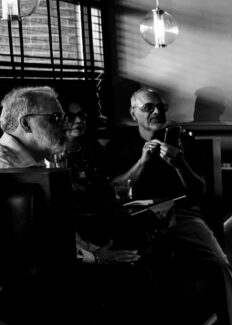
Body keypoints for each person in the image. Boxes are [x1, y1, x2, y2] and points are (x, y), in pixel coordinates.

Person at [103, 87, 232, 325]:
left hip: (183, 213)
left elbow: (200, 188)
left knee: (221, 264)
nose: (157, 112)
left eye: (161, 107)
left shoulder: (184, 140)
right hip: (140, 218)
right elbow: (116, 188)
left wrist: (179, 163)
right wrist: (142, 163)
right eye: (148, 108)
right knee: (137, 271)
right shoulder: (120, 145)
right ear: (133, 114)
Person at [0, 87, 138, 265]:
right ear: (26, 124)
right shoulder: (5, 167)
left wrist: (94, 252)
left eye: (63, 118)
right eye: (56, 118)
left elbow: (58, 229)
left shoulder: (34, 162)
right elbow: (24, 246)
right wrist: (94, 258)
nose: (66, 126)